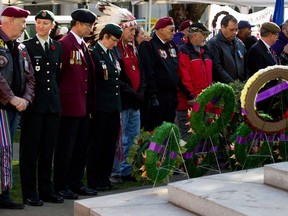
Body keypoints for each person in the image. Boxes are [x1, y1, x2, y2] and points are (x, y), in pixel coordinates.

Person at [20, 10, 63, 207]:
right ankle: (30, 192)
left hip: (52, 106)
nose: (41, 26)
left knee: (48, 151)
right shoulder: (27, 46)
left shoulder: (57, 47)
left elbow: (56, 77)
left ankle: (46, 190)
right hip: (34, 107)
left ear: (52, 25)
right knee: (30, 151)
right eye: (38, 22)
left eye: (45, 23)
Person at [53, 8, 97, 200]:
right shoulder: (65, 44)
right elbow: (58, 76)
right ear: (77, 24)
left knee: (80, 147)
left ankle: (76, 182)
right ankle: (62, 185)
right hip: (69, 105)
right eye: (88, 25)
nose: (90, 29)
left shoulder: (82, 44)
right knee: (66, 148)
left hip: (82, 105)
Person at [0, 6, 35, 209]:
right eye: (22, 23)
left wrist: (26, 100)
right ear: (11, 20)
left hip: (14, 109)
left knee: (6, 151)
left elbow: (30, 77)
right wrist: (12, 98)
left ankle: (3, 193)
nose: (24, 27)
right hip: (3, 107)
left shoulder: (20, 47)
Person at [86, 23, 123, 190]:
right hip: (100, 107)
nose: (115, 44)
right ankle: (94, 179)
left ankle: (104, 178)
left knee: (109, 145)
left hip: (113, 106)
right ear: (105, 36)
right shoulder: (94, 53)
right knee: (98, 145)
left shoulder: (112, 52)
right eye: (113, 40)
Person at [110, 14, 145, 183]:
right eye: (130, 30)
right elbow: (119, 77)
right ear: (122, 29)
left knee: (134, 136)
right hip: (123, 100)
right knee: (121, 138)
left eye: (134, 30)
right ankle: (116, 170)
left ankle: (127, 169)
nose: (133, 33)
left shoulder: (132, 48)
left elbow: (140, 71)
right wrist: (133, 91)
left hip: (135, 101)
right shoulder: (116, 49)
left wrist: (141, 90)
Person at [139, 16, 179, 131]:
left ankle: (166, 149)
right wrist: (152, 95)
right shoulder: (149, 45)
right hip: (157, 96)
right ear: (161, 29)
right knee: (155, 131)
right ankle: (153, 149)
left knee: (168, 129)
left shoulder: (171, 45)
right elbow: (148, 71)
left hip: (171, 95)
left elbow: (175, 69)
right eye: (171, 29)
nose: (174, 33)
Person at [176, 22, 212, 141]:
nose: (205, 37)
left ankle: (199, 159)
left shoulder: (205, 50)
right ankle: (186, 159)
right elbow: (183, 77)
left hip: (204, 101)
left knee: (201, 135)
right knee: (186, 137)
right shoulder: (183, 51)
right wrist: (191, 97)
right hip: (189, 103)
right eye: (204, 35)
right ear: (195, 35)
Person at [207, 14, 246, 84]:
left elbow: (245, 64)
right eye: (231, 30)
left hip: (241, 85)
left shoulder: (239, 43)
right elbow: (217, 68)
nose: (234, 32)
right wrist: (233, 84)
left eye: (236, 30)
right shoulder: (214, 43)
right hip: (224, 87)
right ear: (222, 27)